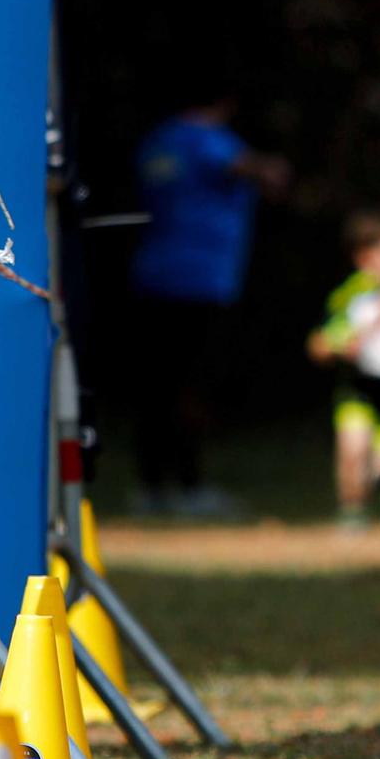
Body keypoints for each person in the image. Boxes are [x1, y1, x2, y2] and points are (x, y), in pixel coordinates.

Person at [127, 92, 290, 518]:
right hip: (201, 282)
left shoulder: (159, 140)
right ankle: (189, 485)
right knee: (192, 388)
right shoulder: (210, 139)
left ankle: (152, 487)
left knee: (155, 387)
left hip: (153, 273)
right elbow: (257, 172)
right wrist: (270, 169)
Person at [307, 210, 380, 526]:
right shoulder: (352, 293)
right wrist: (339, 345)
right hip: (358, 388)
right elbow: (321, 341)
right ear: (366, 255)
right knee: (352, 449)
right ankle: (352, 511)